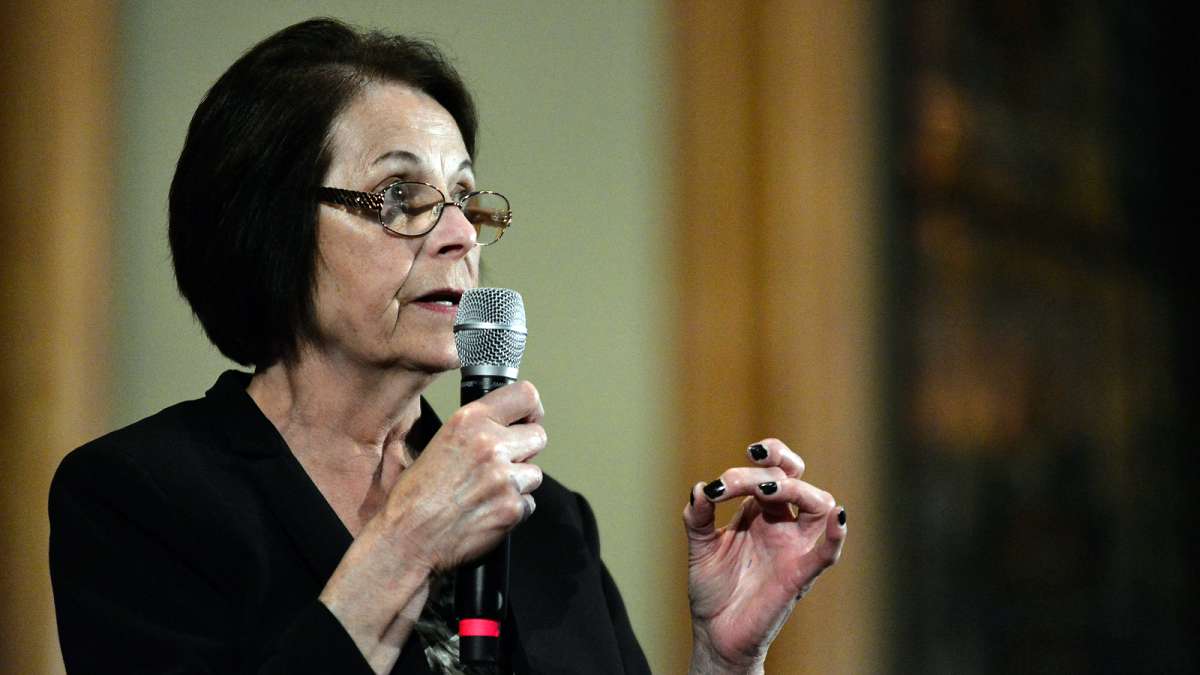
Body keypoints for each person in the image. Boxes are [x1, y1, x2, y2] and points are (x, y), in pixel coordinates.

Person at [48, 18, 846, 675]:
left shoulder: (546, 520)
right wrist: (406, 540)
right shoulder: (139, 498)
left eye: (464, 199)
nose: (462, 235)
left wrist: (723, 658)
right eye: (401, 197)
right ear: (269, 228)